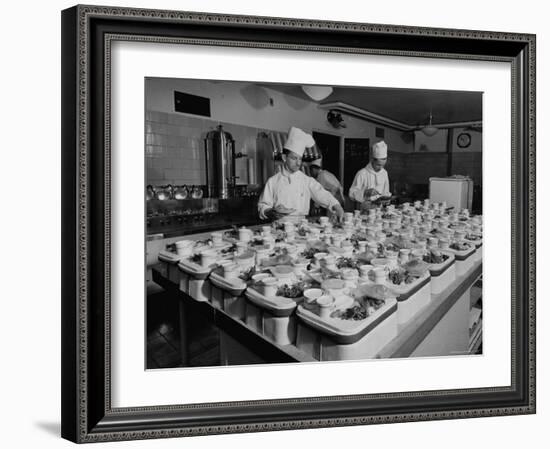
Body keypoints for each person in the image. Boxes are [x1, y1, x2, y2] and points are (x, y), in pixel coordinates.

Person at [258, 127, 344, 222]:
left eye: (300, 159)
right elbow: (263, 205)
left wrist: (337, 206)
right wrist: (269, 211)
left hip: (302, 225)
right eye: (294, 158)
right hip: (279, 226)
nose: (298, 163)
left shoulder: (306, 180)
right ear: (284, 158)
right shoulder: (273, 181)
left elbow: (322, 194)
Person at [348, 141, 391, 208]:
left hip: (379, 210)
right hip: (364, 209)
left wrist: (386, 200)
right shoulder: (362, 173)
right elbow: (351, 194)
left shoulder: (384, 173)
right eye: (378, 165)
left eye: (383, 165)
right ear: (372, 160)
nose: (381, 168)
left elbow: (386, 192)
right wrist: (365, 192)